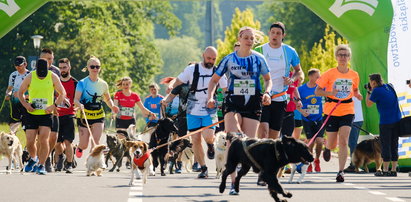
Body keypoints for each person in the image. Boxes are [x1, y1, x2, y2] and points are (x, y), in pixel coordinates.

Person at [207, 27, 272, 194]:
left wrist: (267, 92)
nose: (249, 41)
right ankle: (233, 182)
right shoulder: (229, 59)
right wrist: (210, 97)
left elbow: (267, 79)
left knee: (250, 143)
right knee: (233, 139)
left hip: (252, 102)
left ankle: (239, 178)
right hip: (232, 102)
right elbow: (214, 80)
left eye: (252, 38)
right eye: (246, 38)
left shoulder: (259, 59)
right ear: (240, 38)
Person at [172, 46, 227, 179]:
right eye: (209, 58)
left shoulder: (219, 71)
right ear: (203, 55)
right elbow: (178, 82)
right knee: (195, 139)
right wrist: (171, 90)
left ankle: (210, 146)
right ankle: (203, 168)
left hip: (210, 108)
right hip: (193, 109)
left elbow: (226, 89)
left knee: (208, 135)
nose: (211, 61)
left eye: (214, 59)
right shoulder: (192, 69)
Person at [315, 44, 362, 182]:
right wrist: (330, 93)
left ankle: (340, 172)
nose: (343, 57)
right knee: (332, 143)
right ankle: (327, 147)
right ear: (336, 57)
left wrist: (357, 95)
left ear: (349, 57)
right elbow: (317, 91)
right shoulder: (329, 73)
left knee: (343, 141)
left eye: (346, 55)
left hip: (347, 110)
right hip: (331, 111)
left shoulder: (354, 75)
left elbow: (355, 90)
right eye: (340, 55)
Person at [18, 58, 66, 175]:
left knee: (43, 140)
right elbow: (20, 93)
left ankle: (41, 165)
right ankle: (33, 159)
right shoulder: (30, 76)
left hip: (46, 114)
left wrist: (53, 106)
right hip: (32, 113)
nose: (41, 76)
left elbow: (62, 93)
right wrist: (26, 105)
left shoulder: (52, 76)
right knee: (30, 141)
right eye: (40, 74)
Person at [255, 22, 303, 139]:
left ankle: (268, 157)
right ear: (269, 33)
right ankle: (259, 156)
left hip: (280, 98)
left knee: (273, 137)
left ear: (283, 35)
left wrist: (292, 79)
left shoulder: (290, 51)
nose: (275, 36)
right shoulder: (259, 50)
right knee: (263, 132)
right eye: (273, 33)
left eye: (278, 33)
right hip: (263, 96)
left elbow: (299, 71)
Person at [74, 56, 119, 158]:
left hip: (98, 116)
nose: (95, 69)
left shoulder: (103, 84)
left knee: (96, 142)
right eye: (92, 66)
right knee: (84, 144)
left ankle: (92, 164)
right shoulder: (82, 83)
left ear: (100, 68)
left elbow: (107, 99)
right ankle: (79, 147)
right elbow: (75, 99)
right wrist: (79, 104)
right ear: (88, 68)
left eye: (97, 67)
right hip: (84, 116)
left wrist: (113, 107)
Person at [366, 73, 401, 176]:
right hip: (397, 120)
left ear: (373, 82)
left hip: (386, 122)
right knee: (394, 145)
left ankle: (385, 170)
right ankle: (393, 170)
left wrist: (369, 91)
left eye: (371, 83)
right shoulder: (389, 86)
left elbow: (368, 104)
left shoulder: (376, 90)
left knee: (385, 145)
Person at [162, 76, 191, 173]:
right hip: (174, 118)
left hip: (185, 116)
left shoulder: (191, 88)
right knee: (177, 140)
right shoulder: (178, 88)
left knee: (185, 139)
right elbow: (169, 93)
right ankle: (172, 159)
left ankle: (179, 161)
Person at [298, 68, 325, 173]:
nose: (319, 79)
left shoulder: (322, 88)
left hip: (319, 119)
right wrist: (302, 111)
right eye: (317, 77)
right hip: (307, 119)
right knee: (310, 141)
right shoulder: (301, 89)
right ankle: (309, 161)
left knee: (319, 141)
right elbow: (296, 103)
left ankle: (317, 160)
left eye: (320, 77)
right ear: (310, 77)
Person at [39, 48, 61, 172]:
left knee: (53, 137)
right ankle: (43, 160)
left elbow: (60, 90)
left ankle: (47, 155)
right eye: (46, 59)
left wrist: (56, 105)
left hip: (53, 107)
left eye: (50, 59)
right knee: (41, 137)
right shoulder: (34, 72)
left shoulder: (56, 71)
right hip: (38, 110)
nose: (48, 61)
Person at [54, 58, 77, 173]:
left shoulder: (75, 83)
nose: (62, 70)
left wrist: (78, 106)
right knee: (57, 143)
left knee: (68, 142)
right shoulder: (56, 81)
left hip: (69, 115)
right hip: (56, 115)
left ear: (69, 67)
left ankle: (69, 163)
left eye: (64, 67)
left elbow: (78, 99)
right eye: (61, 68)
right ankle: (61, 156)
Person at [5, 56, 30, 134]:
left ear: (25, 64)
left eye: (20, 65)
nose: (17, 67)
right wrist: (8, 94)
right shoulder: (13, 75)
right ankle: (13, 142)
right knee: (13, 124)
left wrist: (24, 95)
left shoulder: (30, 75)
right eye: (16, 65)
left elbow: (34, 91)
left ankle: (29, 145)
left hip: (26, 103)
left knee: (27, 126)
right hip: (15, 103)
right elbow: (9, 88)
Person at [344, 97, 364, 173]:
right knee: (352, 143)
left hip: (354, 119)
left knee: (352, 143)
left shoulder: (351, 91)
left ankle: (354, 165)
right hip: (357, 119)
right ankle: (355, 164)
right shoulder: (354, 90)